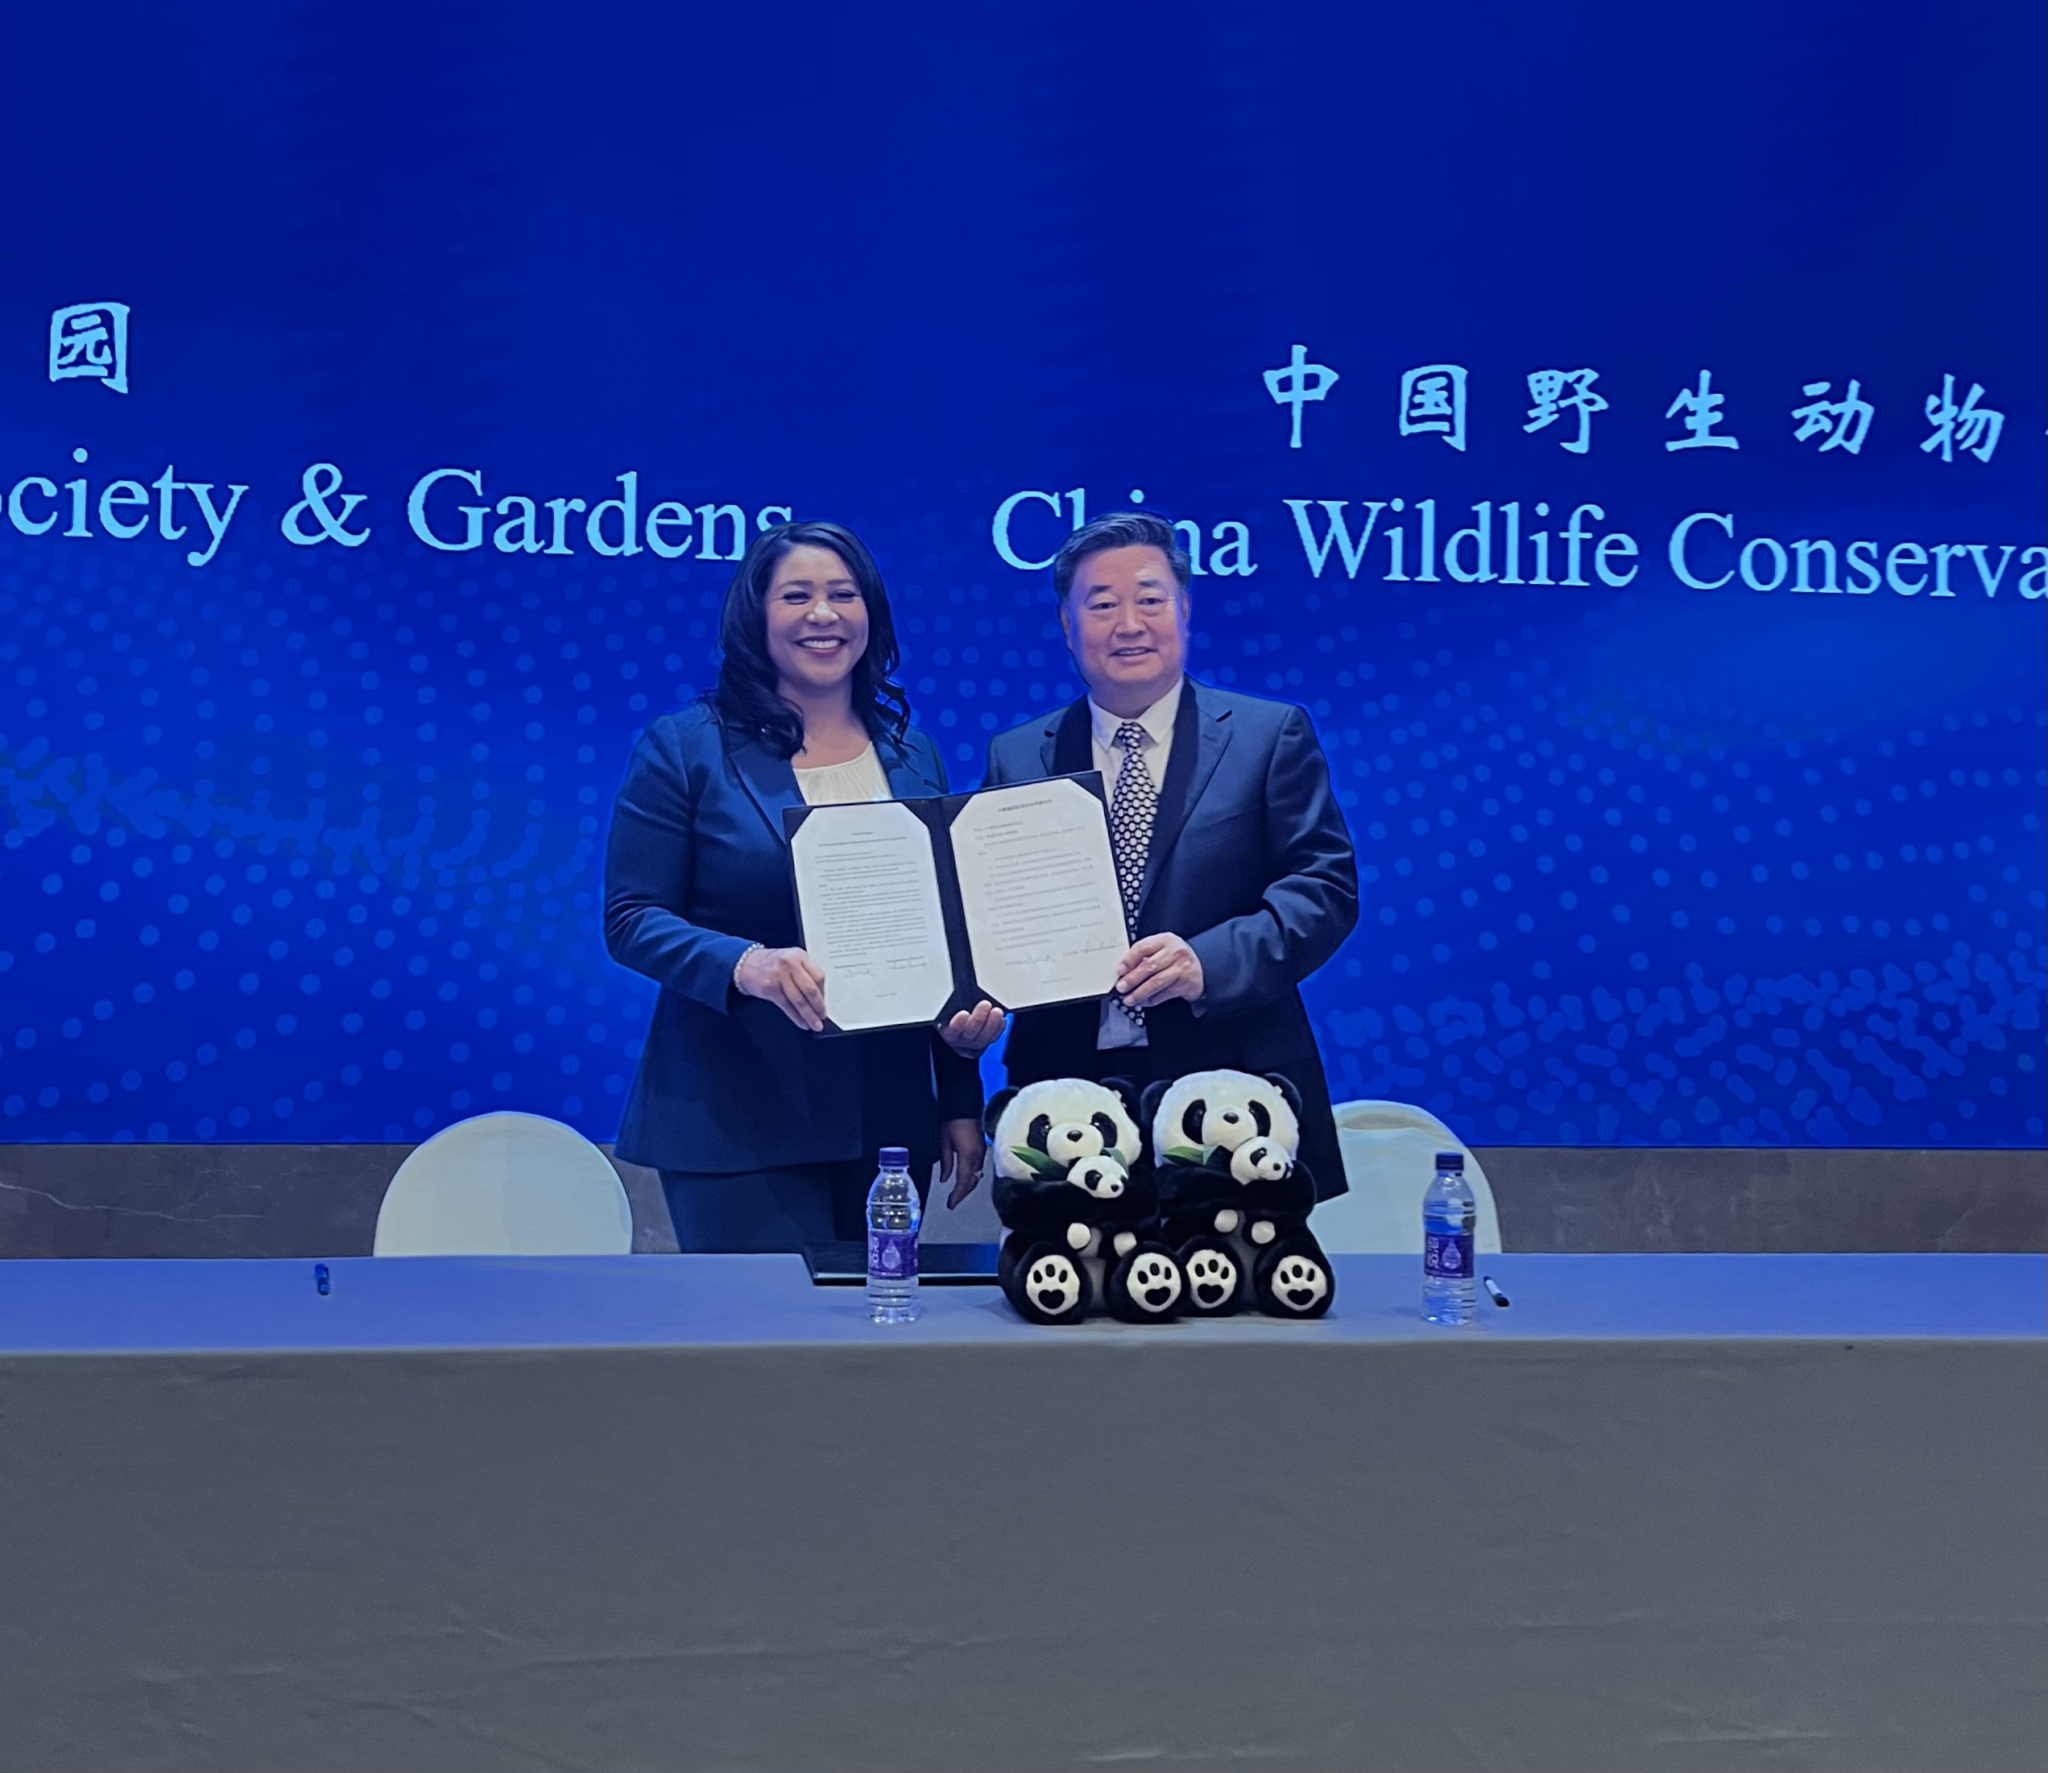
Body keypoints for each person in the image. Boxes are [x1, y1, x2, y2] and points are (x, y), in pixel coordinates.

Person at [604, 521, 1002, 1252]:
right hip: (734, 1111)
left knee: (871, 1350)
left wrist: (958, 1097)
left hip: (889, 1113)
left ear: (870, 614)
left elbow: (941, 930)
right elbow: (631, 916)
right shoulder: (686, 745)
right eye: (798, 595)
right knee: (760, 1352)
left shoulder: (913, 756)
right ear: (756, 617)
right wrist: (744, 964)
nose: (823, 614)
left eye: (843, 595)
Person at [973, 511, 1359, 1196]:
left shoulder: (1268, 736)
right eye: (1101, 604)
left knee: (1237, 1288)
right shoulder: (1018, 756)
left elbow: (1324, 889)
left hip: (1232, 1085)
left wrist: (1204, 962)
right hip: (1068, 1093)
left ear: (1184, 609)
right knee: (1072, 1291)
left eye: (1150, 599)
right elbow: (990, 910)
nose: (1128, 623)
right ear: (1067, 625)